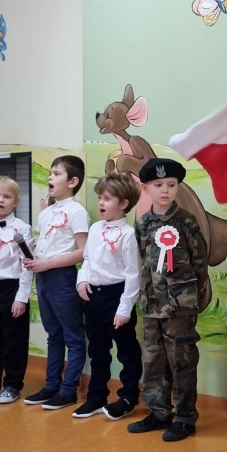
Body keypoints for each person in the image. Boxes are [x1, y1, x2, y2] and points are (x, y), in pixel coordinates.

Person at [127, 158, 209, 442]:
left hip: (179, 307)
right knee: (153, 359)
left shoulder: (186, 222)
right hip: (152, 305)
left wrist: (192, 299)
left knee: (181, 361)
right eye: (158, 185)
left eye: (171, 185)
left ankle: (184, 417)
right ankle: (158, 411)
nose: (165, 190)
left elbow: (200, 264)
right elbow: (140, 262)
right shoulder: (143, 224)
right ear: (146, 188)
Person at [74, 173, 142, 420]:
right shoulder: (95, 228)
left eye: (107, 199)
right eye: (100, 198)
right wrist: (82, 280)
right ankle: (96, 397)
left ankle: (128, 396)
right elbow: (88, 259)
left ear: (123, 203)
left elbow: (133, 274)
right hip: (93, 296)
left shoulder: (128, 234)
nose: (101, 203)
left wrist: (125, 308)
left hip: (117, 296)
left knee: (126, 351)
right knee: (97, 350)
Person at [24, 155, 89, 410]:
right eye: (50, 173)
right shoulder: (47, 213)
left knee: (73, 336)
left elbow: (83, 252)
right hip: (43, 277)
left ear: (73, 182)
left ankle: (68, 389)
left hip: (62, 277)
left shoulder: (77, 211)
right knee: (53, 334)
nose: (50, 177)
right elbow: (45, 245)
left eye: (57, 173)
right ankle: (51, 385)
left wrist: (49, 263)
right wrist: (33, 259)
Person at [0, 176, 33, 404]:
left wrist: (21, 298)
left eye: (7, 196)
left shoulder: (23, 229)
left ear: (16, 201)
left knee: (14, 340)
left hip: (12, 288)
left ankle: (13, 384)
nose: (1, 200)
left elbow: (27, 265)